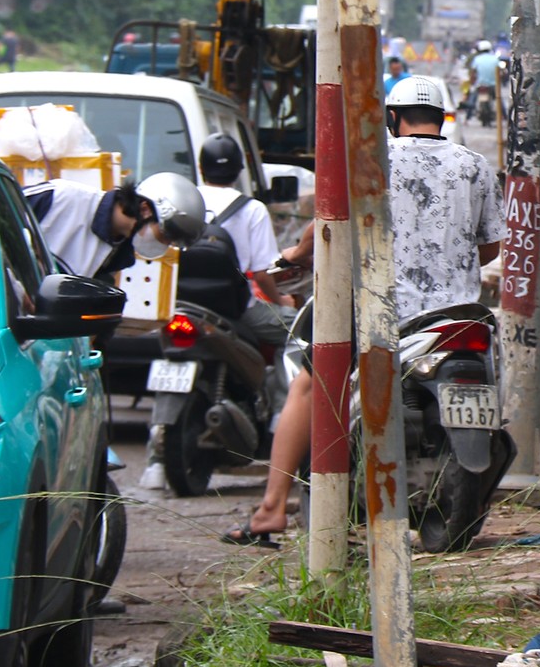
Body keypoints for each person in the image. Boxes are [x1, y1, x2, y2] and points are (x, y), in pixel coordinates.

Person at [230, 75, 504, 547]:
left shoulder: (371, 161)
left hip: (384, 312)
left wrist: (294, 258)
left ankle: (272, 509)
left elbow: (326, 229)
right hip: (459, 315)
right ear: (441, 118)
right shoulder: (475, 166)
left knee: (307, 385)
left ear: (393, 118)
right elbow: (489, 246)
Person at [194, 132, 295, 355]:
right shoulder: (253, 209)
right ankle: (287, 390)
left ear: (201, 169)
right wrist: (281, 301)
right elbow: (261, 274)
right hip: (237, 308)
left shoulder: (188, 201)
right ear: (239, 171)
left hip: (184, 302)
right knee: (303, 329)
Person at [27, 173, 205, 280]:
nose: (164, 244)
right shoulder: (61, 197)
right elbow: (1, 212)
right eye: (165, 235)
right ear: (145, 210)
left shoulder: (118, 254)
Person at [468, 40, 499, 122]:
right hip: (493, 85)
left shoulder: (477, 59)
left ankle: (467, 118)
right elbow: (500, 72)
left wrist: (472, 84)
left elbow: (473, 73)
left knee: (472, 100)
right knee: (499, 101)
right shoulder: (495, 59)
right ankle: (505, 117)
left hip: (480, 85)